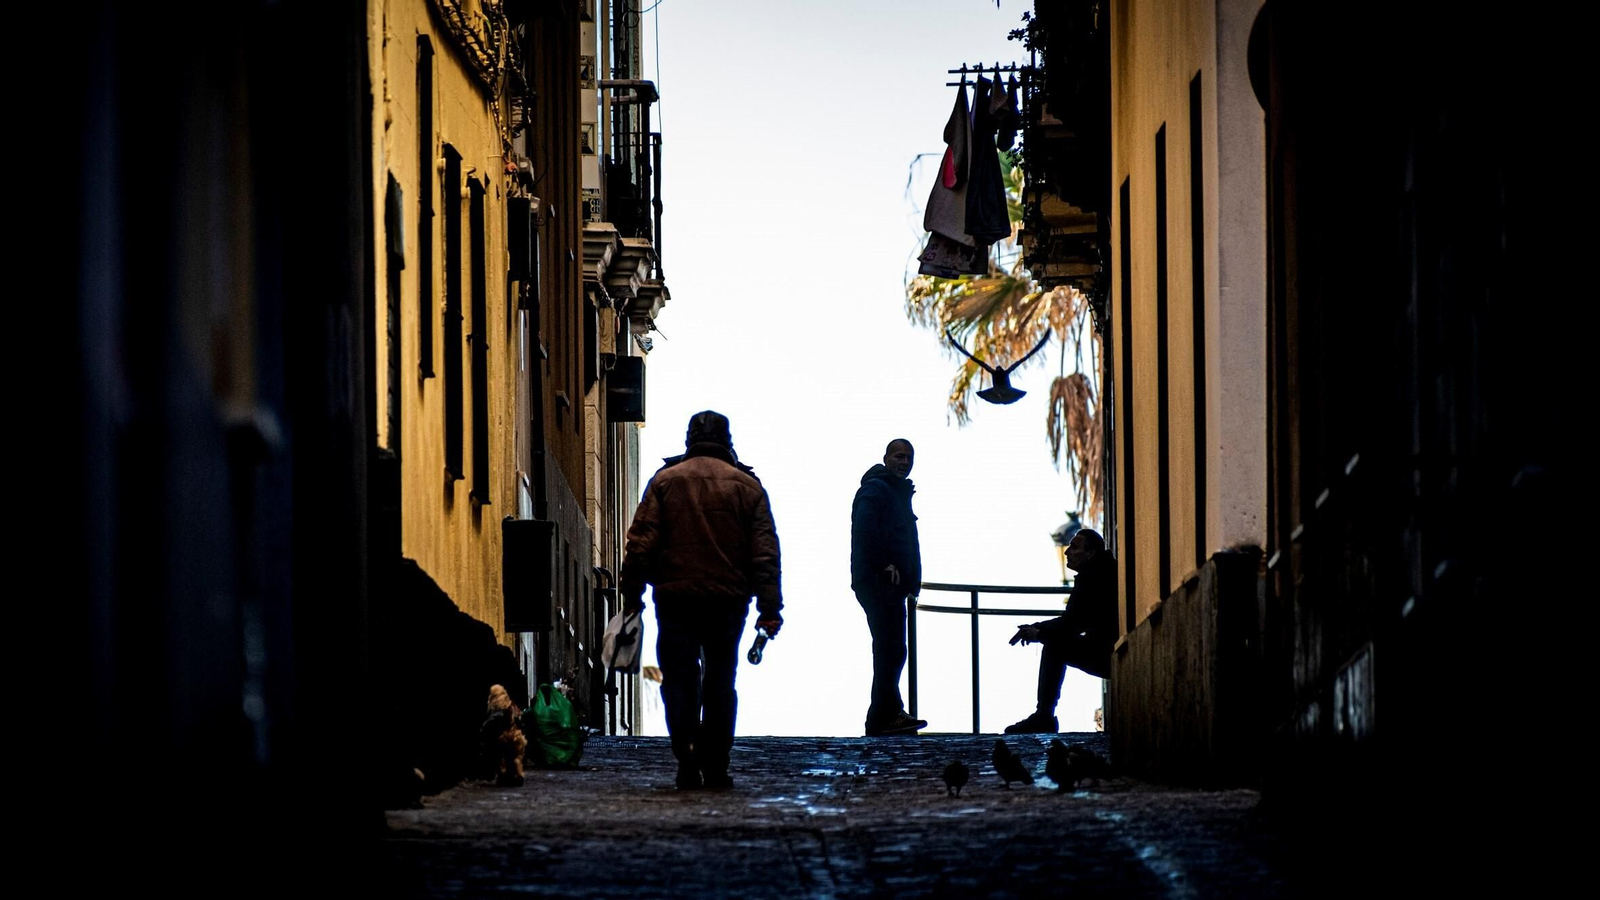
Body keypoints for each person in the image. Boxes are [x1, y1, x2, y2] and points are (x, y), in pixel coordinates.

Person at [620, 411, 783, 789]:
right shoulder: (748, 487)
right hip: (728, 601)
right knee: (721, 681)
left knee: (678, 679)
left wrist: (632, 594)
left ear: (689, 438)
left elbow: (640, 543)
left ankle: (687, 756)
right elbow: (764, 552)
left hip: (675, 598)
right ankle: (716, 763)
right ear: (727, 440)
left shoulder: (664, 482)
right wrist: (769, 607)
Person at [1004, 528, 1118, 734]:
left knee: (1055, 646)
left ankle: (1044, 716)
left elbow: (1073, 623)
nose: (1067, 552)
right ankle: (1044, 715)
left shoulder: (1094, 577)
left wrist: (1039, 633)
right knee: (1054, 643)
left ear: (1090, 553)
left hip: (1108, 652)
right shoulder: (1097, 571)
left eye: (1074, 547)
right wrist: (1038, 628)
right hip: (1109, 647)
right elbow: (1072, 621)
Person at [850, 439, 928, 736]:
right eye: (899, 456)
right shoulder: (876, 491)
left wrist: (911, 580)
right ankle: (886, 716)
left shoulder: (894, 493)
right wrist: (885, 564)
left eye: (909, 457)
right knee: (890, 649)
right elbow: (866, 531)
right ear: (886, 458)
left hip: (891, 584)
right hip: (879, 582)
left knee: (892, 649)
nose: (904, 462)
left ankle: (884, 715)